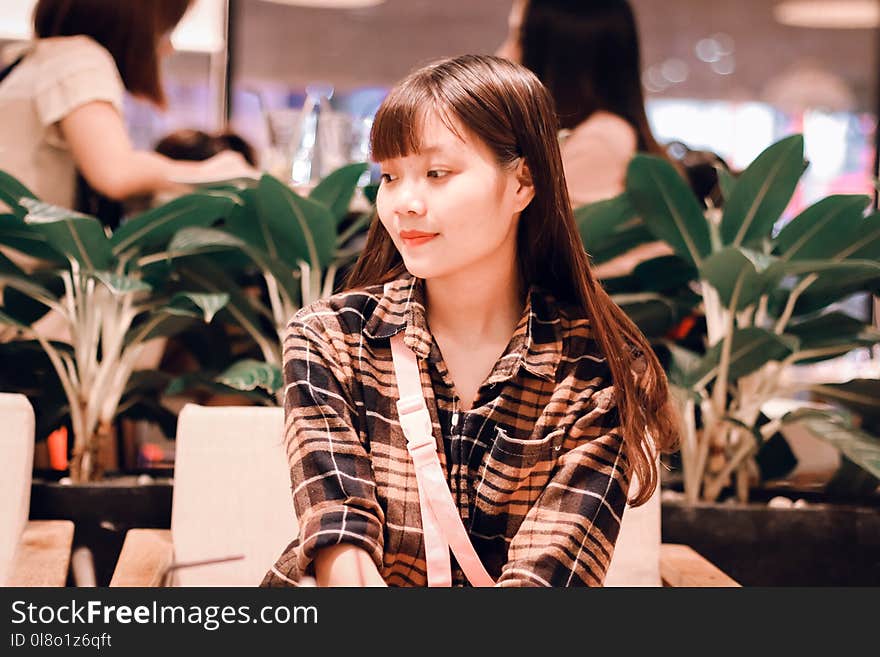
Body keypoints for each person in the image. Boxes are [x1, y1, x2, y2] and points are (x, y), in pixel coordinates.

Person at [261, 54, 678, 588]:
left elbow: (550, 578)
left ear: (523, 183)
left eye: (437, 173)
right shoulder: (329, 338)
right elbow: (340, 539)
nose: (404, 203)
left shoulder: (595, 373)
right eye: (390, 176)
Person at [0, 0, 254, 221]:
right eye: (165, 30)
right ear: (131, 25)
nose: (169, 48)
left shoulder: (30, 60)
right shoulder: (80, 58)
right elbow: (116, 174)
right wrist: (211, 174)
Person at [497, 0, 674, 278]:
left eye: (519, 36)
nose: (504, 52)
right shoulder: (601, 134)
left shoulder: (599, 140)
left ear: (558, 56)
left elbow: (553, 258)